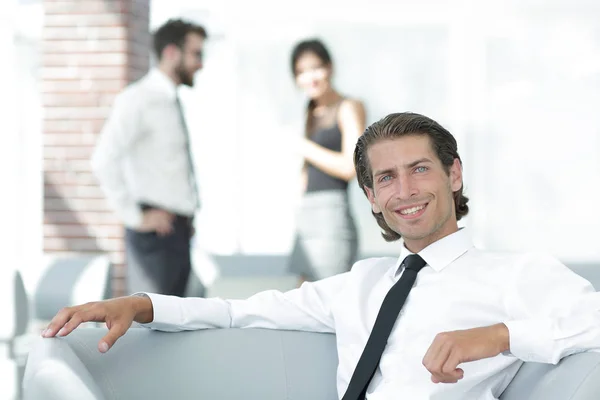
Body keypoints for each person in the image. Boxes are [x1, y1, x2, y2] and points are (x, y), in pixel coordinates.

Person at [44, 112, 600, 399]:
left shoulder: (515, 275)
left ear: (454, 175)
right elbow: (242, 311)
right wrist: (140, 303)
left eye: (421, 169)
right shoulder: (359, 283)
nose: (404, 190)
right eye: (387, 178)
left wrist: (497, 336)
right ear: (372, 199)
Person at [91, 19, 207, 297]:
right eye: (196, 54)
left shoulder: (171, 101)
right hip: (154, 237)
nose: (200, 64)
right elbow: (103, 159)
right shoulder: (139, 99)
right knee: (152, 330)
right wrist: (134, 217)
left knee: (175, 328)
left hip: (178, 233)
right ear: (171, 53)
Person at [288, 39, 366, 285]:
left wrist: (305, 148)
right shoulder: (309, 111)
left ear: (329, 68)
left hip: (331, 217)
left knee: (329, 299)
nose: (309, 77)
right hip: (306, 215)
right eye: (301, 72)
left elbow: (349, 167)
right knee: (300, 300)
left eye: (315, 68)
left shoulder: (348, 107)